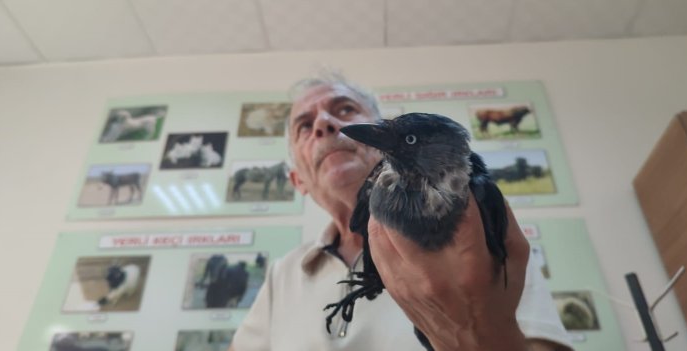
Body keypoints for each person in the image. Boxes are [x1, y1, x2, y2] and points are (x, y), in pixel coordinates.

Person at [230, 73, 574, 351]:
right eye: (305, 126)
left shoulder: (479, 230)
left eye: (346, 109)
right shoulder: (282, 275)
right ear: (297, 180)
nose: (324, 122)